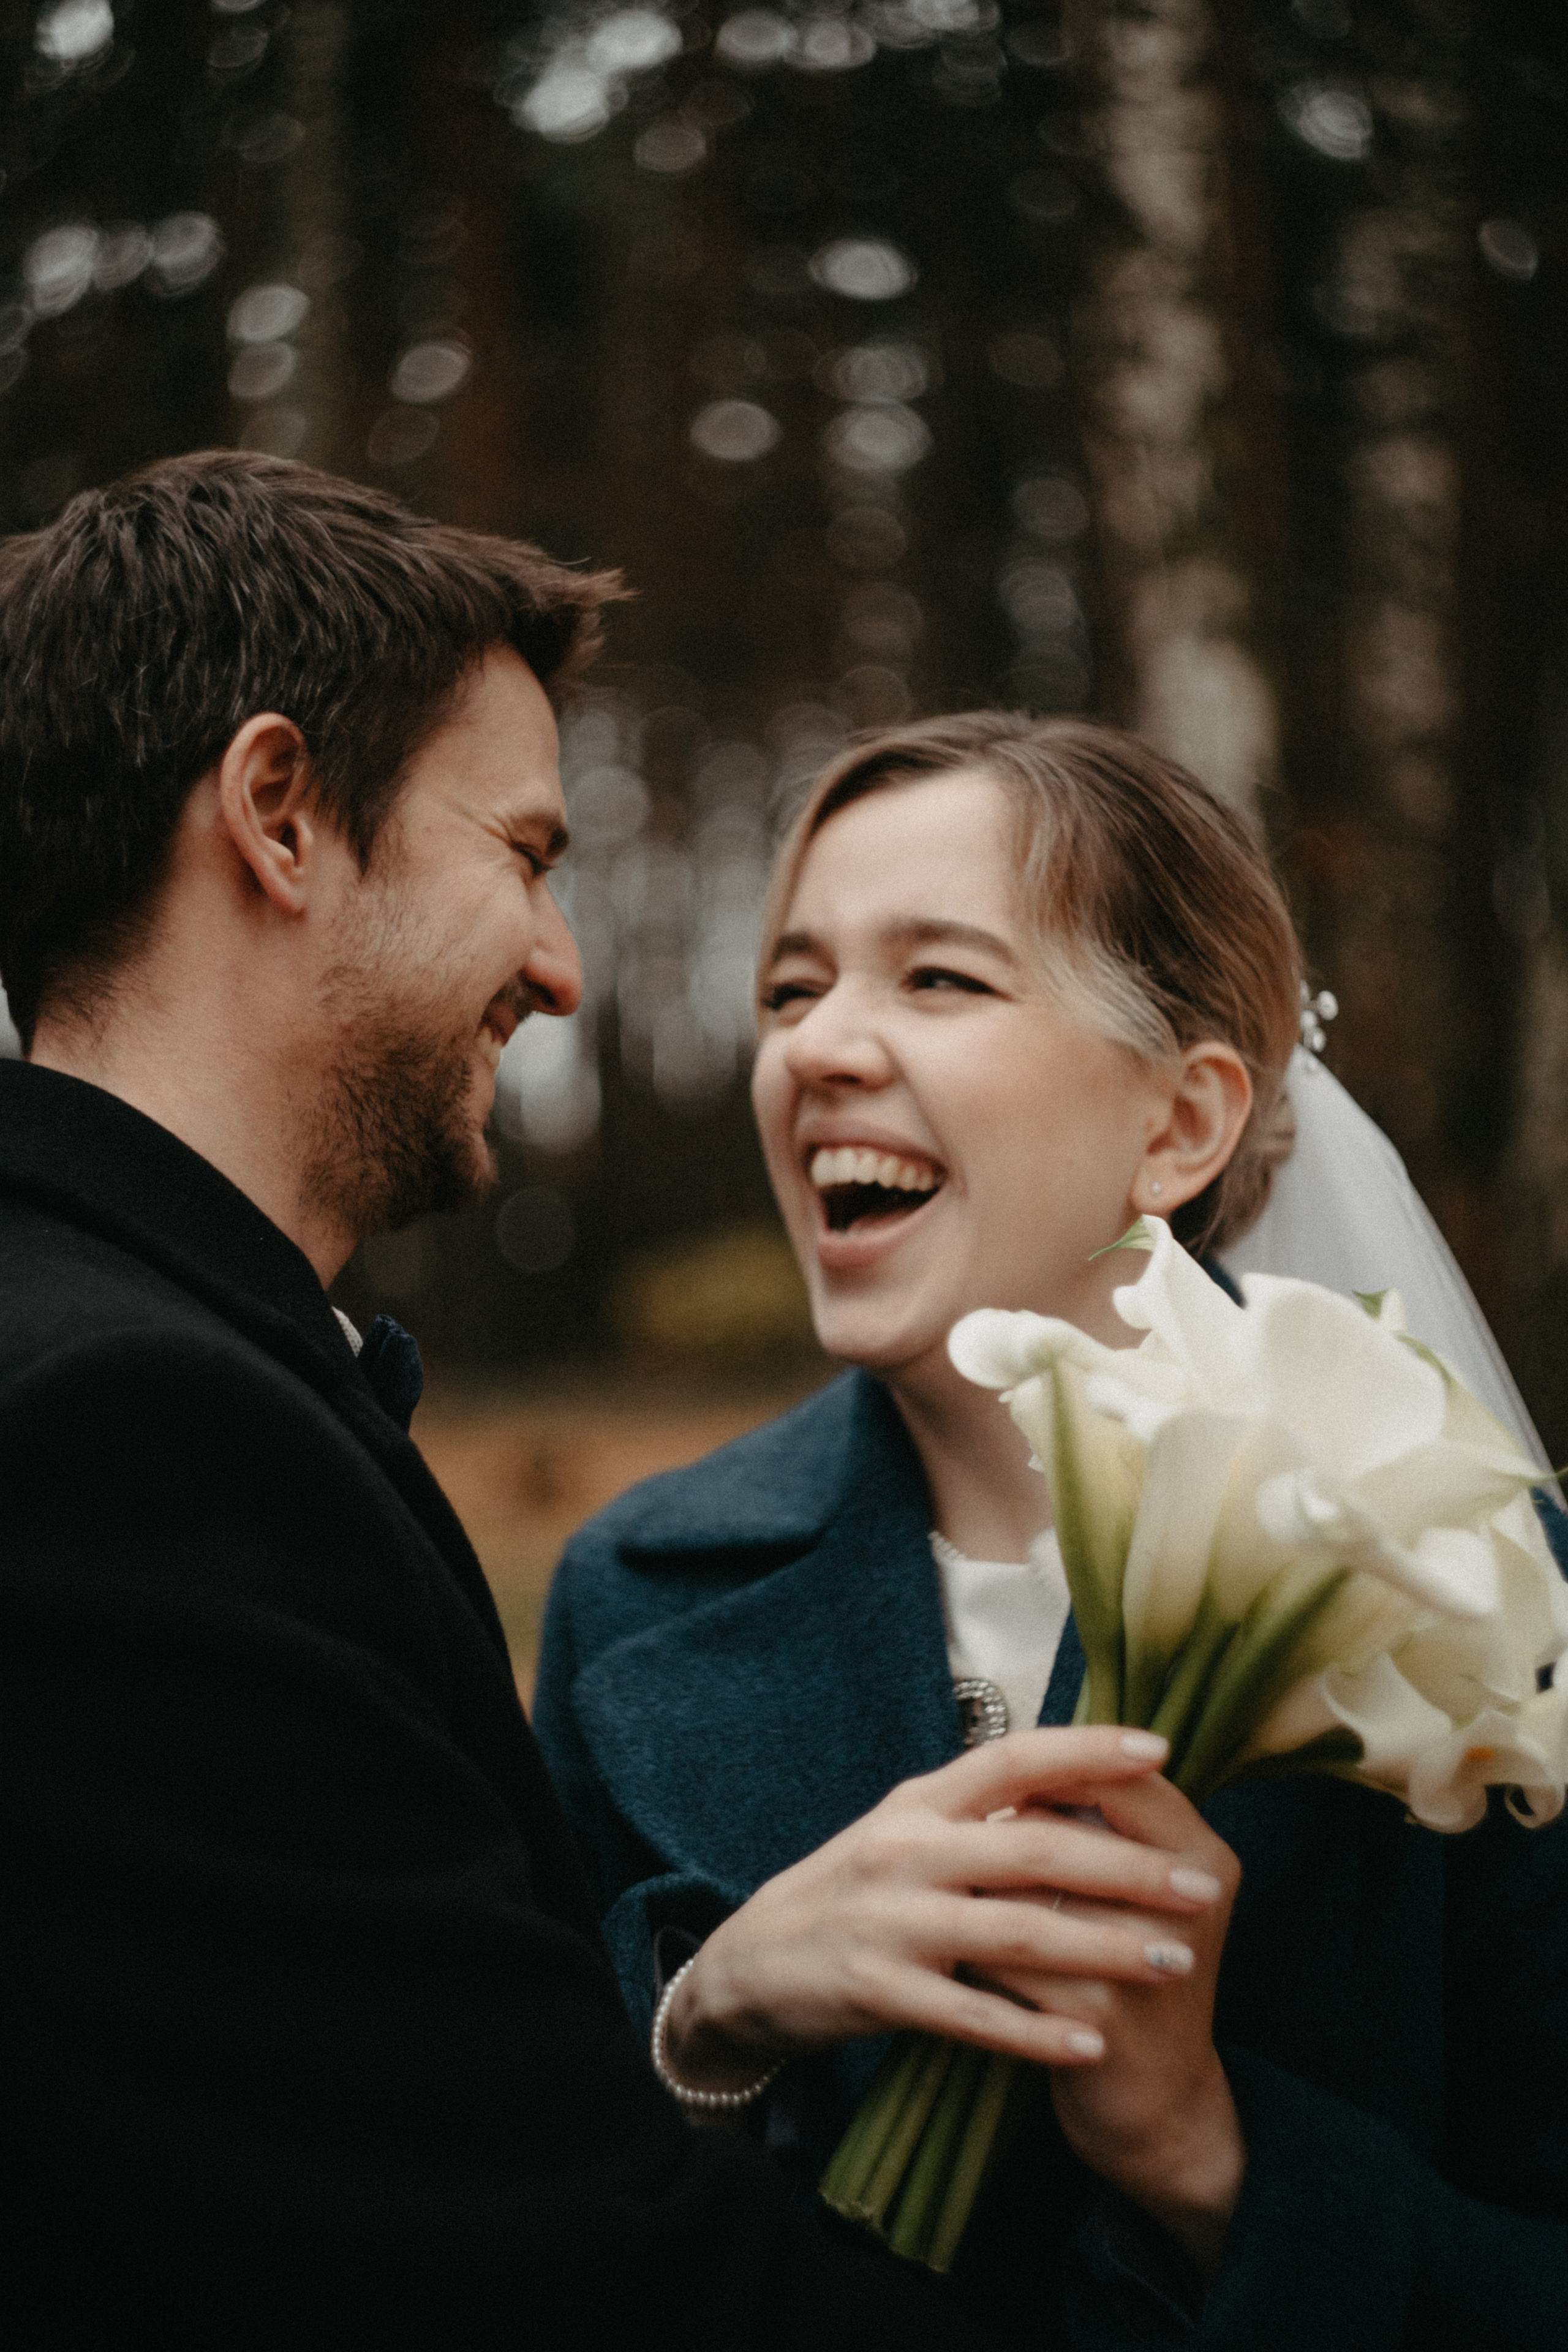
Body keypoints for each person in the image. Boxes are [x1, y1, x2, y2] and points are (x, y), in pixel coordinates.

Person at [0, 456, 1200, 2349]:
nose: (560, 968)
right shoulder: (131, 1434)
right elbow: (519, 2260)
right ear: (281, 818)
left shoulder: (145, 1366)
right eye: (529, 855)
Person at [535, 715, 1568, 2349]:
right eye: (791, 991)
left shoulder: (1458, 1592)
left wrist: (1208, 2156)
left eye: (938, 979)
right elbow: (514, 2224)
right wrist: (709, 2017)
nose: (818, 1049)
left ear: (1180, 1123)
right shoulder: (635, 1593)